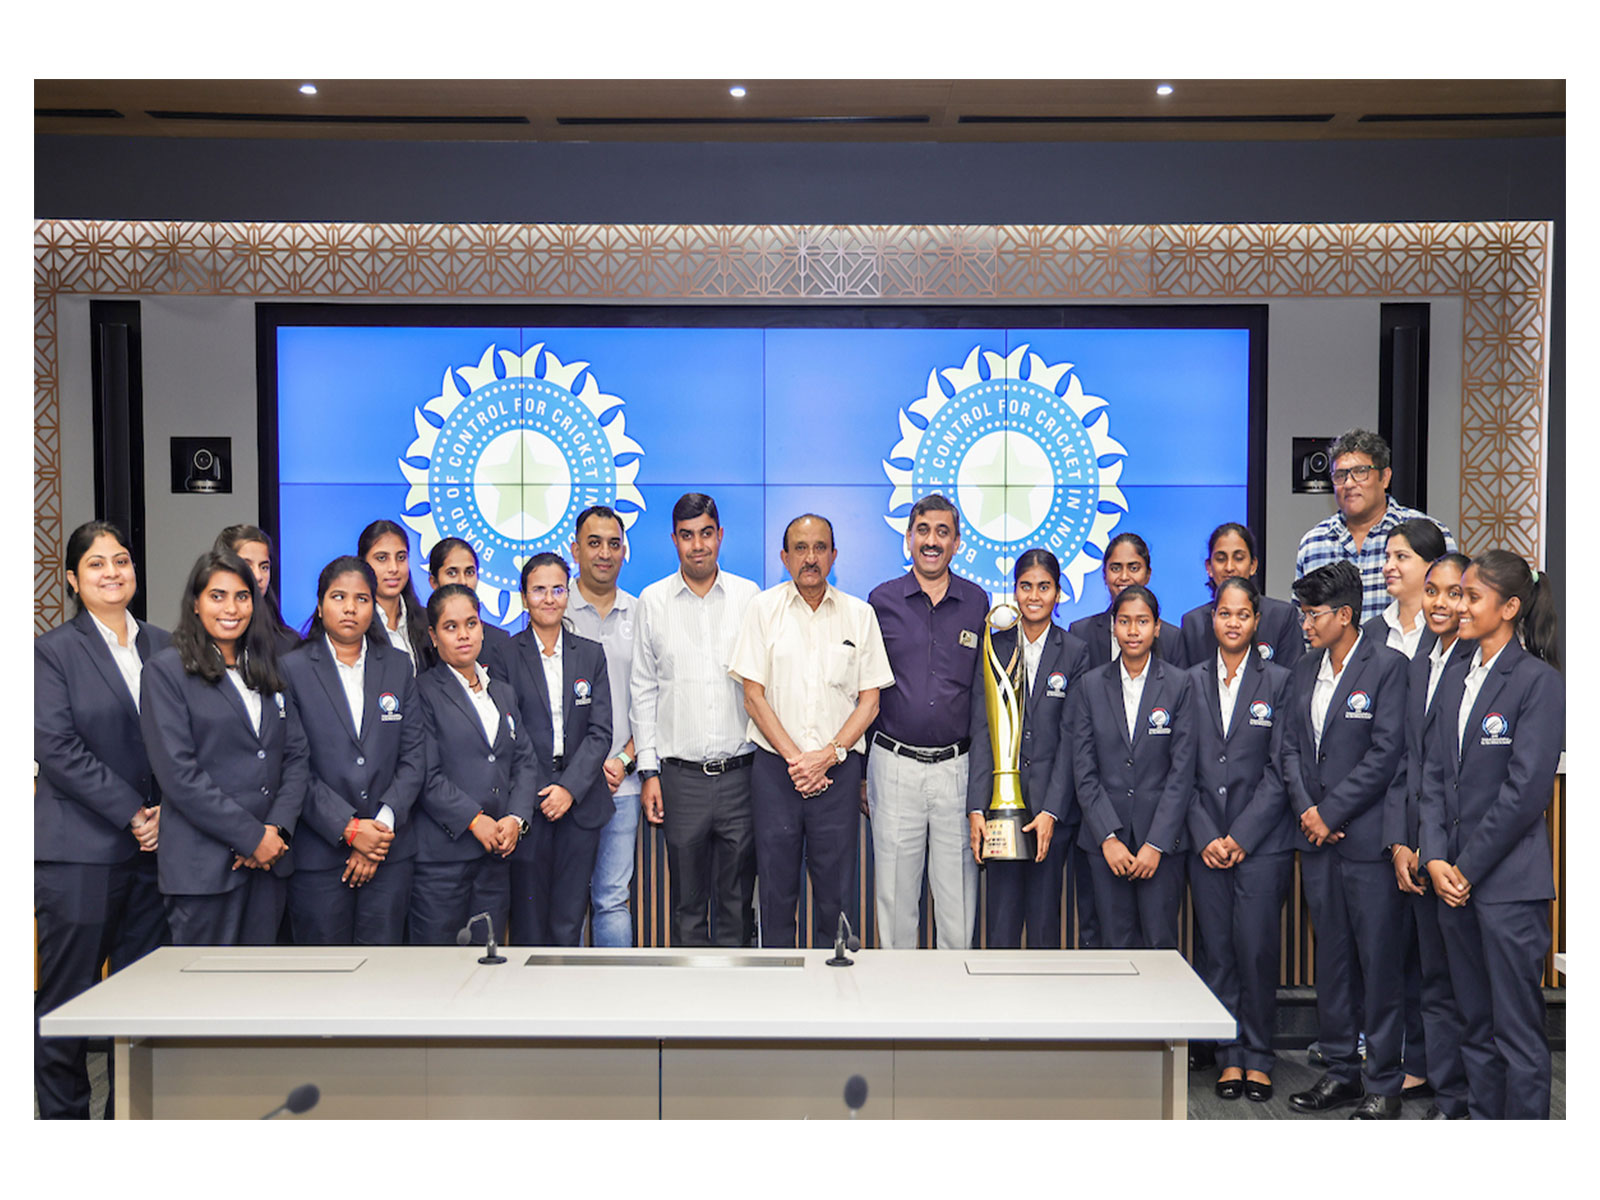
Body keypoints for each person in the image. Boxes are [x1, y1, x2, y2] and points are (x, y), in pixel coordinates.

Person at [34, 520, 171, 1119]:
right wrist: (131, 812)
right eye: (96, 563)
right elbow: (56, 747)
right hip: (81, 853)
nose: (112, 572)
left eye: (121, 560)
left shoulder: (164, 646)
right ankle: (63, 1138)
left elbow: (186, 740)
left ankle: (127, 1127)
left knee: (141, 1006)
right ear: (72, 579)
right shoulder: (50, 652)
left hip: (157, 854)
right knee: (68, 1003)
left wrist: (168, 811)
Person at [1420, 551, 1563, 1120]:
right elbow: (1433, 776)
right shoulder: (1456, 673)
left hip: (1505, 887)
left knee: (1517, 1031)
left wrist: (1466, 869)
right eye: (1457, 595)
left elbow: (1525, 793)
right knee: (1472, 1024)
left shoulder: (1537, 682)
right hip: (1451, 881)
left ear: (1508, 607)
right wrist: (1434, 858)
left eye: (1470, 596)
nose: (1458, 606)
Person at [1281, 561, 1409, 1118]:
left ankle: (1383, 1080)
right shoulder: (1303, 669)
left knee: (1378, 964)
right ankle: (1341, 1072)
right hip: (1317, 842)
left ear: (1345, 615)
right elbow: (1287, 750)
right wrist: (1310, 812)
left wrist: (1330, 811)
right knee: (1330, 961)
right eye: (1303, 613)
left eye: (1313, 615)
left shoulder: (1389, 668)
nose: (1304, 624)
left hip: (1365, 843)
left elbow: (1386, 754)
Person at [730, 514, 894, 948]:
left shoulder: (860, 615)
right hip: (775, 772)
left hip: (837, 773)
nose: (810, 558)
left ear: (835, 556)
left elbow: (870, 701)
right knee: (776, 892)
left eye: (820, 548)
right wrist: (797, 760)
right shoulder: (763, 610)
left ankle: (835, 995)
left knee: (836, 895)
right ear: (784, 557)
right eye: (800, 549)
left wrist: (826, 756)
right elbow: (752, 695)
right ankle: (779, 997)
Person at [140, 550, 308, 946]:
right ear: (196, 604)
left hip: (269, 866)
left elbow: (296, 756)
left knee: (259, 996)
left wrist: (276, 831)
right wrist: (252, 838)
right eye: (217, 596)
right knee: (205, 999)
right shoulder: (166, 671)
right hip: (204, 871)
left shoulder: (268, 667)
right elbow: (180, 776)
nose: (231, 608)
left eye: (242, 596)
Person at [631, 493, 761, 946]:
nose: (698, 545)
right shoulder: (652, 601)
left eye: (706, 533)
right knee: (687, 906)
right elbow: (643, 691)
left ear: (720, 536)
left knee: (737, 902)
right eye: (687, 536)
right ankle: (691, 1007)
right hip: (679, 780)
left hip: (741, 776)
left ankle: (738, 1007)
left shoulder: (749, 597)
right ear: (674, 541)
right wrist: (648, 772)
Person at [1184, 576, 1295, 1102]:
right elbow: (1179, 771)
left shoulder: (1279, 681)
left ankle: (1259, 1055)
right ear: (1213, 619)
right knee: (1220, 952)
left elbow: (1281, 771)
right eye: (1224, 614)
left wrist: (1242, 836)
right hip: (1205, 841)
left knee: (1256, 951)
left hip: (1262, 845)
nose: (1232, 623)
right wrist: (1208, 834)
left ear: (1256, 621)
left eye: (1242, 615)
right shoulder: (1188, 682)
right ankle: (1229, 1056)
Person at [279, 557, 424, 945]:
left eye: (361, 599)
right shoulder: (291, 669)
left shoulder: (397, 665)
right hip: (320, 856)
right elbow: (293, 765)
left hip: (388, 854)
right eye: (338, 597)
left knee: (384, 980)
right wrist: (348, 828)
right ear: (320, 604)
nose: (349, 608)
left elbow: (414, 758)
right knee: (324, 982)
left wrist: (379, 831)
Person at [867, 493, 988, 949]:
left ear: (957, 542)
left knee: (957, 903)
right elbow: (864, 691)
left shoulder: (978, 603)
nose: (932, 541)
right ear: (908, 538)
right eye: (923, 531)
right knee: (896, 901)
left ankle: (955, 1011)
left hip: (957, 769)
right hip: (894, 764)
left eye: (942, 532)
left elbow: (984, 699)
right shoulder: (880, 602)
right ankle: (898, 1010)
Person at [1382, 551, 1473, 1119]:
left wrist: (1434, 849)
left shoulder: (1477, 663)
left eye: (1454, 593)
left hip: (1459, 857)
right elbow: (1402, 763)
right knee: (1429, 980)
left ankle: (1466, 1095)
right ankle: (1445, 1087)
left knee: (1463, 985)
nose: (1441, 603)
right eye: (1434, 591)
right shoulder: (1417, 661)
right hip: (1414, 850)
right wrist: (1399, 843)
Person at [966, 549, 1087, 950]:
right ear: (1014, 591)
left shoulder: (1075, 651)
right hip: (1002, 811)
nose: (1034, 596)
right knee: (999, 924)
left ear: (1058, 593)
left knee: (1043, 925)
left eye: (1045, 587)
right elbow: (982, 731)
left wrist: (1052, 810)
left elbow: (1074, 740)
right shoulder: (994, 645)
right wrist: (977, 808)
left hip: (1052, 812)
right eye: (1026, 586)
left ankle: (1045, 1010)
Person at [1068, 584, 1196, 950]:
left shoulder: (1179, 684)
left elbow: (1181, 771)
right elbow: (1084, 769)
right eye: (1124, 621)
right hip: (1105, 845)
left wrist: (1155, 843)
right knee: (1113, 947)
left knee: (1159, 946)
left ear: (1157, 627)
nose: (1133, 630)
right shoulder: (1091, 685)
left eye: (1142, 621)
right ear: (1113, 628)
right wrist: (1108, 837)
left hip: (1161, 844)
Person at [408, 584, 534, 946]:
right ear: (433, 636)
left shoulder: (503, 691)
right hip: (442, 862)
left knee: (487, 968)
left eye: (471, 623)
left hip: (495, 857)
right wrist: (474, 820)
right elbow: (427, 775)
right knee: (437, 974)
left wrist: (516, 818)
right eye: (451, 627)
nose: (463, 635)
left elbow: (524, 762)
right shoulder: (422, 691)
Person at [505, 554, 613, 946]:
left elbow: (601, 732)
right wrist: (541, 788)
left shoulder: (590, 653)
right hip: (527, 802)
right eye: (538, 590)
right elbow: (507, 734)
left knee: (569, 920)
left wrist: (568, 788)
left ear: (567, 593)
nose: (549, 599)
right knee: (529, 921)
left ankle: (565, 1002)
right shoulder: (504, 654)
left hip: (579, 801)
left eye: (557, 589)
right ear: (523, 597)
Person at [566, 506, 643, 947]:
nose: (604, 553)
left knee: (613, 899)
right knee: (570, 898)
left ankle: (618, 1005)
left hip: (622, 784)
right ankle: (566, 1007)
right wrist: (579, 773)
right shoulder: (554, 608)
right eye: (594, 543)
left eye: (614, 543)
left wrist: (625, 760)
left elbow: (650, 698)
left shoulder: (641, 612)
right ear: (575, 550)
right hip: (568, 785)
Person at [1295, 429, 1457, 626]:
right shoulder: (1313, 543)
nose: (1348, 483)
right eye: (1340, 475)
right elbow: (1302, 620)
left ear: (1385, 477)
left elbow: (1454, 605)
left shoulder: (1427, 532)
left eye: (1360, 472)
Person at [1175, 523, 1305, 668]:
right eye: (1220, 559)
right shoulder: (1193, 623)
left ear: (1253, 565)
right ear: (1209, 567)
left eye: (1238, 558)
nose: (1229, 567)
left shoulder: (1282, 616)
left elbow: (1293, 681)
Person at [1067, 532, 1184, 670]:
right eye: (1116, 568)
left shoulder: (1171, 637)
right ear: (1104, 575)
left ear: (1148, 574)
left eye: (1133, 568)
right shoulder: (1081, 633)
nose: (1124, 576)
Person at [426, 536, 516, 681]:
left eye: (469, 572)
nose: (462, 581)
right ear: (433, 581)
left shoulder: (499, 642)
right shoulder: (417, 638)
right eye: (452, 573)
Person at [1363, 517, 1448, 660]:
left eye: (1401, 557)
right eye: (1387, 558)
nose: (1388, 567)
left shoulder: (1447, 625)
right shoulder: (1371, 631)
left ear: (1433, 566)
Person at [214, 524, 299, 653]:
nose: (258, 576)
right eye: (247, 566)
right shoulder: (194, 645)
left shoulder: (289, 644)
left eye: (264, 567)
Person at [359, 519, 430, 673]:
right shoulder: (355, 625)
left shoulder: (428, 621)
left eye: (401, 557)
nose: (394, 568)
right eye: (382, 558)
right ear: (363, 563)